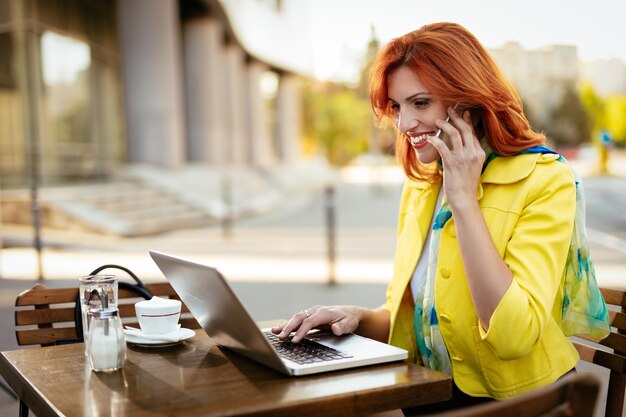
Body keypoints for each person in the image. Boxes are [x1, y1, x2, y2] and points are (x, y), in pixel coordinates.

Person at [272, 22, 581, 412]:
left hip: (524, 404)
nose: (403, 125)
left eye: (420, 103)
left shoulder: (545, 180)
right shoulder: (421, 183)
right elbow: (413, 322)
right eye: (397, 107)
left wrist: (464, 201)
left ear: (467, 100)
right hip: (431, 395)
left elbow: (513, 337)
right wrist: (355, 317)